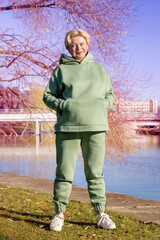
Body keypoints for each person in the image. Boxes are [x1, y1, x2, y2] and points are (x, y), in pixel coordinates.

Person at [43, 29, 116, 231]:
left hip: (96, 127)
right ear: (68, 47)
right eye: (74, 45)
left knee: (95, 173)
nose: (78, 48)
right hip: (67, 127)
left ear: (87, 44)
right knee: (64, 172)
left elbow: (110, 95)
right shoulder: (61, 70)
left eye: (81, 44)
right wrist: (65, 105)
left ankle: (101, 214)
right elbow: (47, 96)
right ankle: (59, 214)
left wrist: (103, 106)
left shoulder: (99, 69)